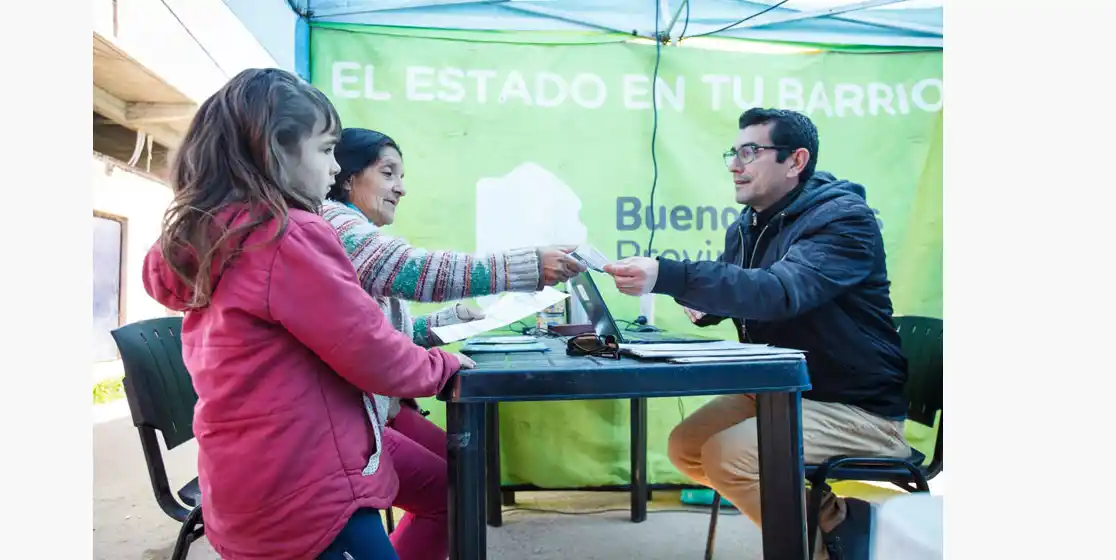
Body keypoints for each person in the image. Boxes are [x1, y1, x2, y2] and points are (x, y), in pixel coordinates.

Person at [140, 68, 473, 560]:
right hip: (310, 485)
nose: (336, 169)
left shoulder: (210, 237)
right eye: (324, 150)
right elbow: (368, 348)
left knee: (445, 486)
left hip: (245, 477)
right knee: (451, 489)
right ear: (275, 149)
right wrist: (443, 368)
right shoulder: (286, 235)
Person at [604, 108, 911, 560]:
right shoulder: (749, 225)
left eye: (751, 151)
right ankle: (839, 521)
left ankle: (826, 550)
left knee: (731, 458)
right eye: (734, 151)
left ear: (795, 160)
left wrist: (669, 275)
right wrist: (707, 305)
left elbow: (782, 291)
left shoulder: (845, 220)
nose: (735, 163)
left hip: (855, 407)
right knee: (686, 448)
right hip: (787, 390)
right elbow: (747, 289)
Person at [318, 127, 588, 558]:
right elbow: (409, 271)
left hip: (372, 404)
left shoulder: (347, 229)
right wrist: (526, 265)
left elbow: (380, 336)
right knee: (453, 490)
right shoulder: (334, 221)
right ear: (345, 176)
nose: (401, 188)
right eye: (388, 173)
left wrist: (449, 322)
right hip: (350, 416)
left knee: (465, 476)